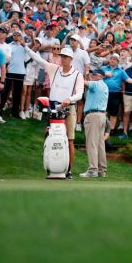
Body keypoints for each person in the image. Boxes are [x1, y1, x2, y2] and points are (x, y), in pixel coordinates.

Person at [26, 44, 84, 178]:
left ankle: (68, 171)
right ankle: (51, 166)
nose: (63, 59)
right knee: (50, 136)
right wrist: (26, 47)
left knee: (69, 140)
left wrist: (69, 99)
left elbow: (80, 94)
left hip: (68, 109)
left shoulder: (77, 75)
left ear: (71, 59)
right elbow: (38, 59)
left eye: (65, 57)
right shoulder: (54, 69)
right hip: (53, 108)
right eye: (61, 56)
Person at [80, 68, 108, 178]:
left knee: (91, 143)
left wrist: (76, 75)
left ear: (101, 76)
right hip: (102, 116)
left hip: (93, 116)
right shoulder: (104, 86)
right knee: (100, 144)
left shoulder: (96, 84)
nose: (93, 76)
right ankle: (102, 170)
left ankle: (92, 170)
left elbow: (83, 82)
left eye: (94, 74)